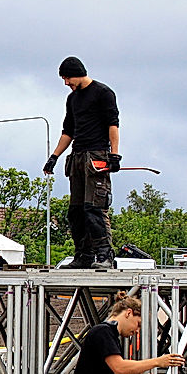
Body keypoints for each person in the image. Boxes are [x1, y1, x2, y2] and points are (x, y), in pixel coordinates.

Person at [44, 56, 120, 270]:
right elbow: (68, 131)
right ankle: (84, 255)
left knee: (94, 208)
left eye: (67, 78)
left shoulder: (103, 93)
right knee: (76, 212)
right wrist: (54, 157)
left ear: (77, 73)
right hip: (77, 157)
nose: (66, 83)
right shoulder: (73, 99)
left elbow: (113, 125)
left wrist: (114, 155)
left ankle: (105, 255)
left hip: (96, 155)